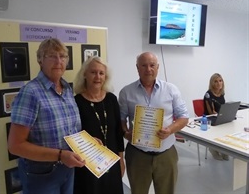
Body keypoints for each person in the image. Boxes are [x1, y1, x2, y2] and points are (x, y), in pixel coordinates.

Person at [8, 38, 85, 194]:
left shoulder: (67, 88)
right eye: (52, 56)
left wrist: (88, 144)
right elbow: (15, 145)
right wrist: (60, 155)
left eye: (62, 56)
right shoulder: (30, 93)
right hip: (41, 173)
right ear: (40, 60)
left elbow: (69, 130)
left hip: (67, 169)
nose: (58, 61)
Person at [118, 52, 189, 194]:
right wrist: (126, 133)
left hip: (166, 154)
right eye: (144, 65)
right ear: (137, 68)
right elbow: (121, 119)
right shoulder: (126, 92)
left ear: (158, 67)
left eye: (152, 65)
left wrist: (170, 129)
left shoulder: (171, 90)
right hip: (138, 155)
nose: (148, 69)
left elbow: (184, 117)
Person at [73, 56, 125, 194]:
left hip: (112, 160)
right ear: (85, 74)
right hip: (88, 164)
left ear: (105, 77)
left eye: (101, 73)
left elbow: (118, 132)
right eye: (93, 72)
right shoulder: (76, 102)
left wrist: (121, 159)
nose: (97, 77)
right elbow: (73, 134)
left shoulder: (111, 99)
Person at [203, 73, 228, 160]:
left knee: (229, 126)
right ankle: (213, 148)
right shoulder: (208, 94)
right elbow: (211, 112)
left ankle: (224, 149)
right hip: (211, 119)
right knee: (222, 128)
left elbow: (223, 107)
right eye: (216, 81)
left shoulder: (222, 93)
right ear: (212, 83)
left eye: (220, 81)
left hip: (220, 116)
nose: (219, 83)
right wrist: (220, 115)